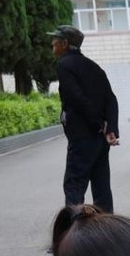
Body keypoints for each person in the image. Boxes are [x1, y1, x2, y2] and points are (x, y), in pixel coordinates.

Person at [49, 25, 119, 212]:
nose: (52, 44)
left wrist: (97, 124)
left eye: (55, 40)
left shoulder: (64, 65)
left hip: (82, 137)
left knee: (74, 186)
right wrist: (110, 128)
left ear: (65, 44)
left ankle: (74, 229)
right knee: (101, 186)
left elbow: (76, 97)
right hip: (100, 139)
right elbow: (111, 99)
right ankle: (107, 228)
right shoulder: (94, 67)